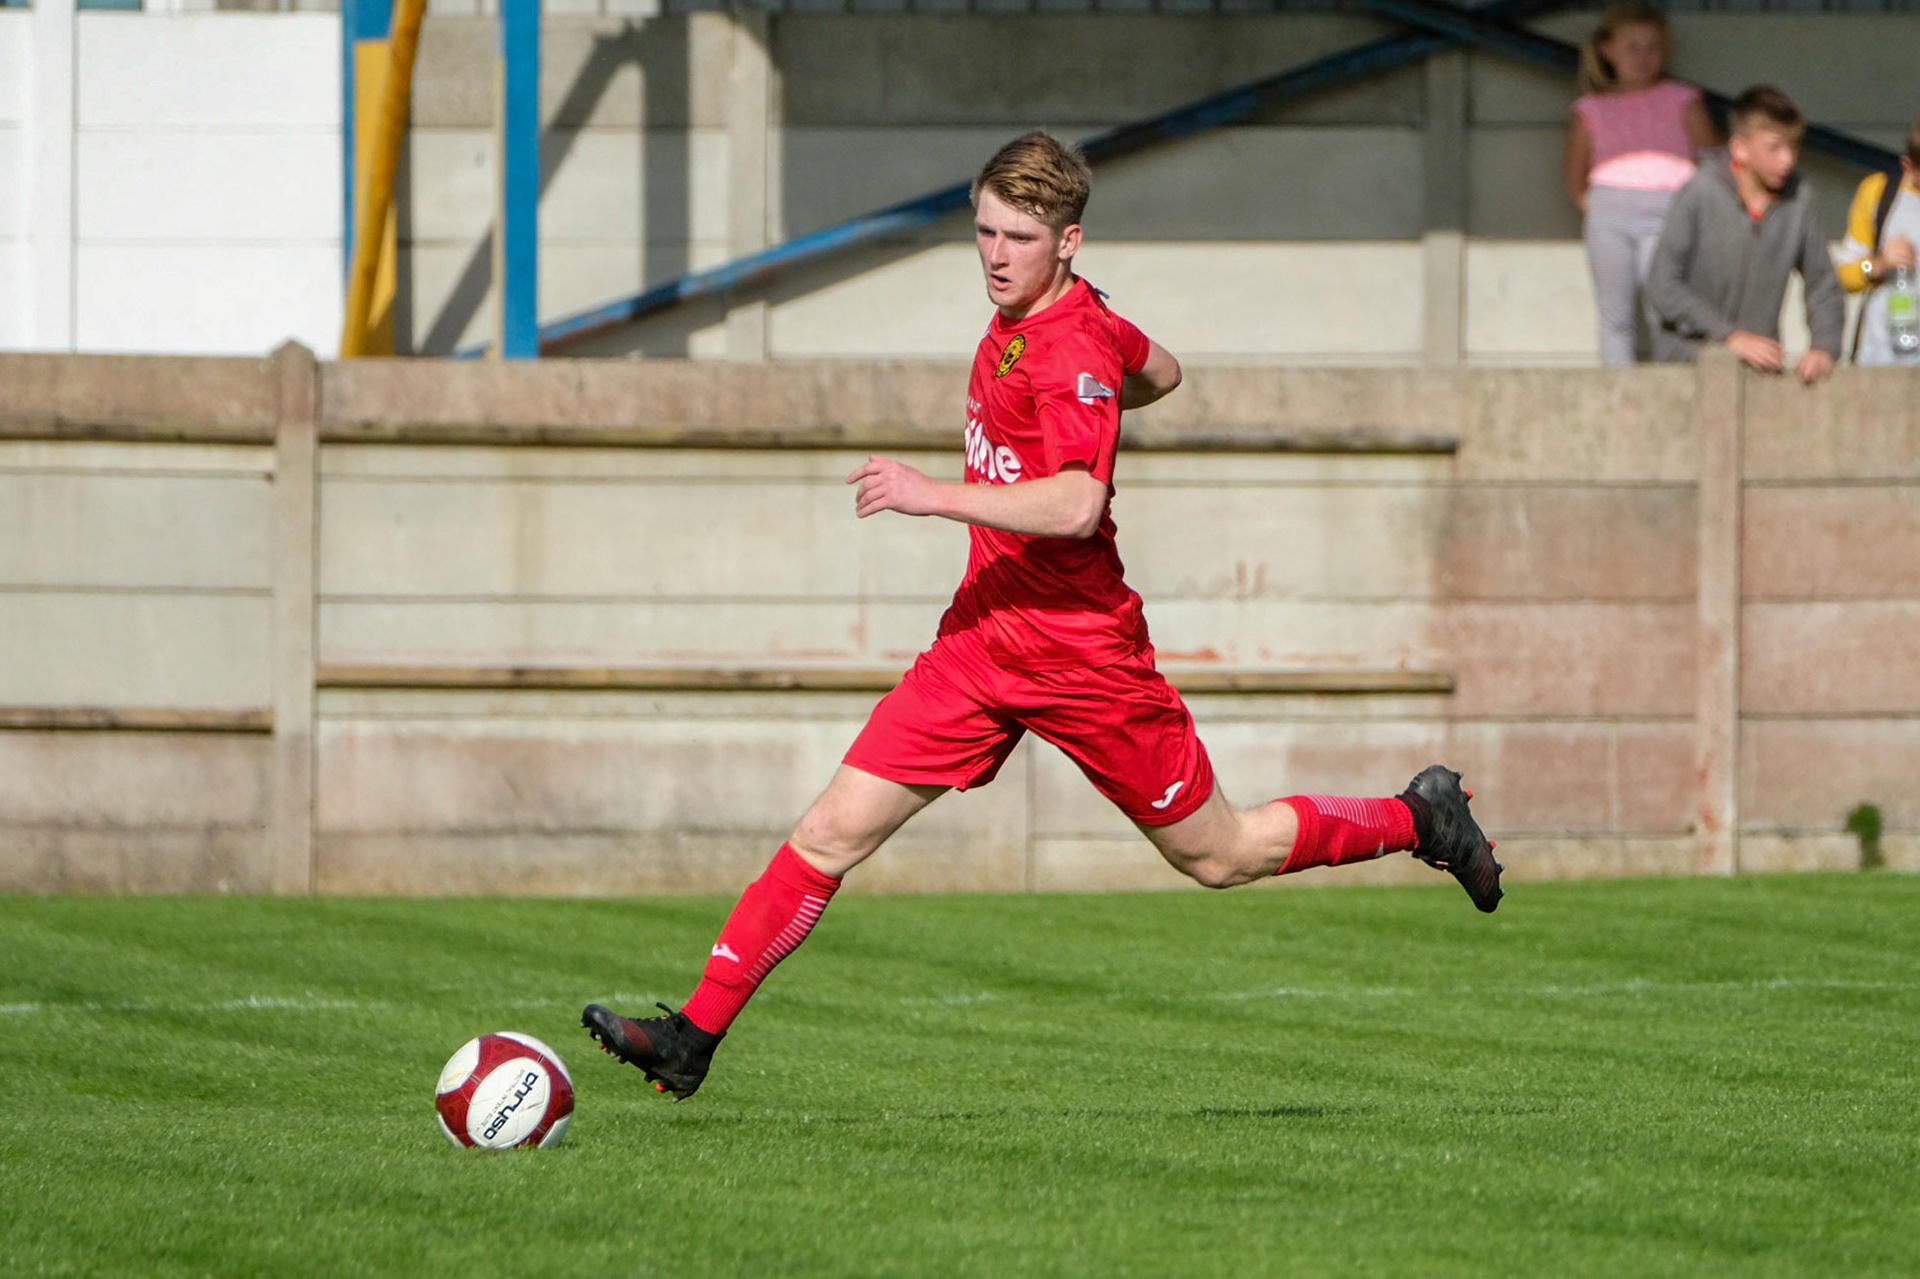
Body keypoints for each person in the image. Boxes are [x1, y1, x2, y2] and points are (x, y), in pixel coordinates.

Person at [581, 133, 1503, 1101]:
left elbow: (1074, 506)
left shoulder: (1066, 351)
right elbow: (1167, 371)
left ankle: (1420, 816)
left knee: (1220, 854)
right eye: (983, 230)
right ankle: (692, 1038)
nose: (994, 253)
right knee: (829, 832)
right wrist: (1108, 363)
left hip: (1082, 656)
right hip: (983, 638)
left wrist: (931, 492)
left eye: (1018, 236)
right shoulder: (1067, 318)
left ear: (1069, 239)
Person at [1645, 85, 1843, 383]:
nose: (1787, 159)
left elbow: (1824, 286)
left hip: (1761, 370)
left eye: (1793, 146)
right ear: (1740, 148)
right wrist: (1730, 336)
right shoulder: (1698, 192)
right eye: (1774, 147)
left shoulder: (1799, 200)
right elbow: (1663, 285)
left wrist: (1824, 349)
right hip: (1686, 367)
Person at [1564, 3, 1717, 366]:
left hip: (1669, 211)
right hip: (1610, 213)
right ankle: (1618, 399)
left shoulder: (1683, 98)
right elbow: (1575, 170)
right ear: (1607, 50)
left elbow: (1711, 158)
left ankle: (1669, 392)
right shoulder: (1591, 108)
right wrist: (1597, 207)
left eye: (1653, 48)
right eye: (1633, 47)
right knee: (1614, 315)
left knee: (1664, 307)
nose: (1644, 57)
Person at [1836, 120, 1920, 367]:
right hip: (1881, 360)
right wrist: (1878, 264)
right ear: (1908, 164)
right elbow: (1845, 274)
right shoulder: (1879, 193)